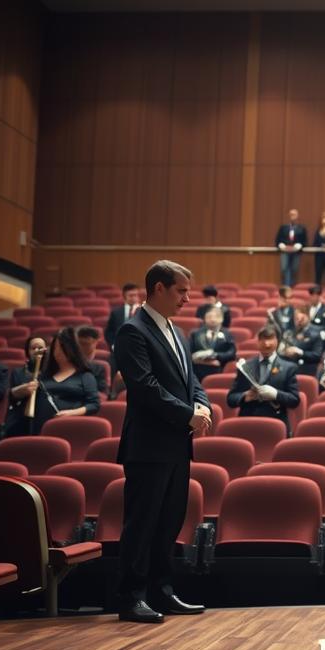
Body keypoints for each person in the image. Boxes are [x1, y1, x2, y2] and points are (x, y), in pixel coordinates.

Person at [112, 260, 212, 624]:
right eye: (181, 291)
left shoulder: (175, 331)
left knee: (168, 522)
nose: (188, 298)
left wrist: (201, 403)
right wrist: (188, 414)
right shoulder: (131, 331)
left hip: (175, 445)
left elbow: (191, 379)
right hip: (148, 445)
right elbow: (144, 387)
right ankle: (132, 596)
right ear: (157, 288)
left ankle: (161, 591)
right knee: (142, 524)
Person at [2, 327, 100, 438]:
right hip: (39, 429)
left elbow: (94, 405)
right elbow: (17, 399)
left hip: (69, 427)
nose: (58, 351)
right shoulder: (44, 376)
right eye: (56, 347)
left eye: (62, 347)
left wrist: (71, 413)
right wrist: (19, 391)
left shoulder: (85, 376)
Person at [228, 325, 300, 434]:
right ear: (257, 341)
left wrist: (276, 394)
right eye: (263, 339)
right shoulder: (246, 366)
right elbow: (231, 399)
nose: (266, 344)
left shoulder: (289, 368)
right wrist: (244, 396)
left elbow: (294, 400)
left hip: (275, 422)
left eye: (270, 339)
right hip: (248, 422)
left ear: (278, 341)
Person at [189, 306, 237, 381]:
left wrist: (216, 355)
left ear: (222, 319)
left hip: (219, 369)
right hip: (197, 369)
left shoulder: (227, 334)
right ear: (204, 318)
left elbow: (232, 353)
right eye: (209, 316)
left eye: (216, 316)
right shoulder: (195, 334)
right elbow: (189, 353)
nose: (212, 319)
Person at [282, 307, 325, 377]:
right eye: (297, 319)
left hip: (307, 368)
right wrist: (285, 351)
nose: (299, 321)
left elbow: (317, 355)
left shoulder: (316, 333)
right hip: (290, 367)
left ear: (308, 317)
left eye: (302, 319)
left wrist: (300, 352)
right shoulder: (290, 332)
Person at [275, 208, 306, 287]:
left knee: (294, 269)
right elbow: (277, 240)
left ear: (298, 216)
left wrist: (299, 245)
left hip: (296, 251)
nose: (293, 216)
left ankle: (292, 286)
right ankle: (285, 286)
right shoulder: (283, 227)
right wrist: (281, 245)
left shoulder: (302, 228)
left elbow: (305, 241)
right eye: (291, 214)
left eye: (294, 215)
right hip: (285, 251)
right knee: (284, 268)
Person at [76, 326, 111, 395]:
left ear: (95, 343)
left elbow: (103, 391)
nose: (81, 347)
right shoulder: (67, 363)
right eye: (79, 343)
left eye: (86, 344)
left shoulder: (99, 368)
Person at [105, 283, 141, 349]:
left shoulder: (143, 312)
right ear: (124, 297)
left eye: (135, 295)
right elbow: (109, 332)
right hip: (119, 348)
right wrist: (113, 345)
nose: (133, 298)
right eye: (130, 295)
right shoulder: (116, 313)